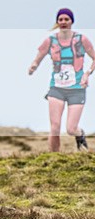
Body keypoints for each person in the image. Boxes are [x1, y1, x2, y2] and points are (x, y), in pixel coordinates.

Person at [28, 8, 94, 152]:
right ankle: (53, 157)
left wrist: (87, 73)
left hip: (77, 88)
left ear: (72, 21)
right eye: (61, 19)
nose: (63, 22)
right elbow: (38, 57)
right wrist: (33, 66)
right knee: (55, 127)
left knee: (70, 128)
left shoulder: (81, 39)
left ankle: (80, 135)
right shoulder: (50, 40)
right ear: (57, 22)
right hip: (56, 88)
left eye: (66, 19)